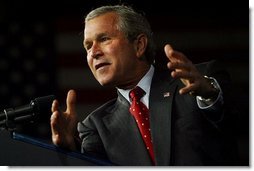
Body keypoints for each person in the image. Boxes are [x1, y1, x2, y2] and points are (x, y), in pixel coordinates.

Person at [50, 5, 237, 166]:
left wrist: (209, 95)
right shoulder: (95, 126)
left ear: (139, 45)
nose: (94, 52)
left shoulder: (197, 81)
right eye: (88, 46)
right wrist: (71, 150)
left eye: (104, 39)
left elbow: (236, 119)